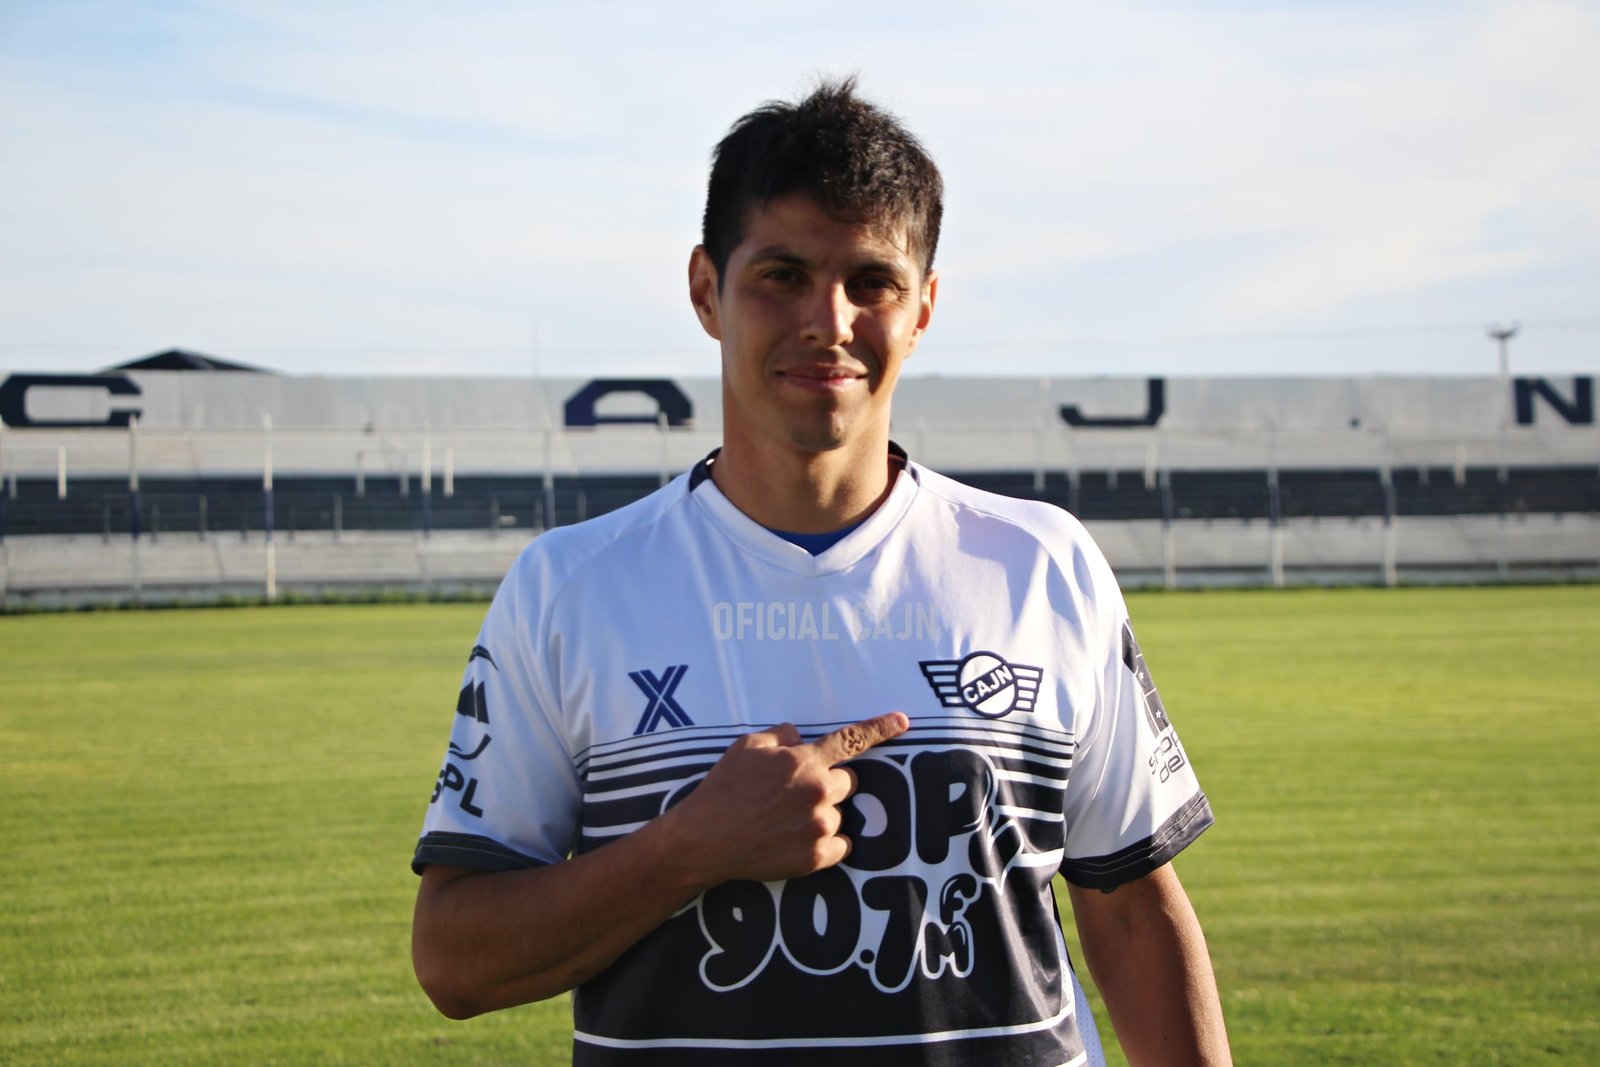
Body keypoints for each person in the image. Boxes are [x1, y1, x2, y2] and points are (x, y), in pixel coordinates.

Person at [411, 77, 1232, 1066]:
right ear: (707, 290)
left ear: (923, 306)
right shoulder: (570, 589)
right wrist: (692, 845)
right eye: (782, 274)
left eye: (872, 282)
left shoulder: (1040, 562)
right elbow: (455, 959)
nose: (829, 320)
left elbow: (1133, 908)